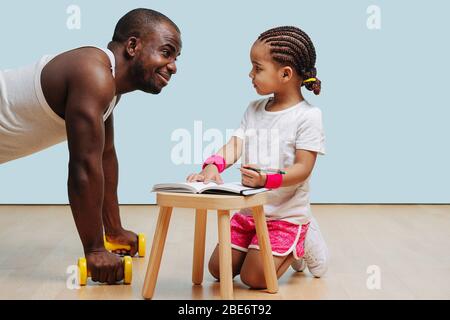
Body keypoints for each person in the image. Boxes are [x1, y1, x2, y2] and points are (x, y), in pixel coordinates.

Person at [0, 8, 182, 284]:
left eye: (176, 58)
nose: (173, 66)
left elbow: (104, 158)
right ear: (133, 46)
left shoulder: (108, 87)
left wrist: (114, 231)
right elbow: (83, 168)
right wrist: (95, 250)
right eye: (167, 52)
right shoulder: (92, 75)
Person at [186, 26, 328, 288]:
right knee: (218, 270)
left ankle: (304, 233)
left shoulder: (308, 116)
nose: (250, 74)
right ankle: (281, 248)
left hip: (285, 215)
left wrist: (265, 179)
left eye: (257, 68)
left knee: (255, 278)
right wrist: (212, 166)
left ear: (285, 74)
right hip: (251, 211)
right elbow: (235, 144)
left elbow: (303, 168)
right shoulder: (254, 109)